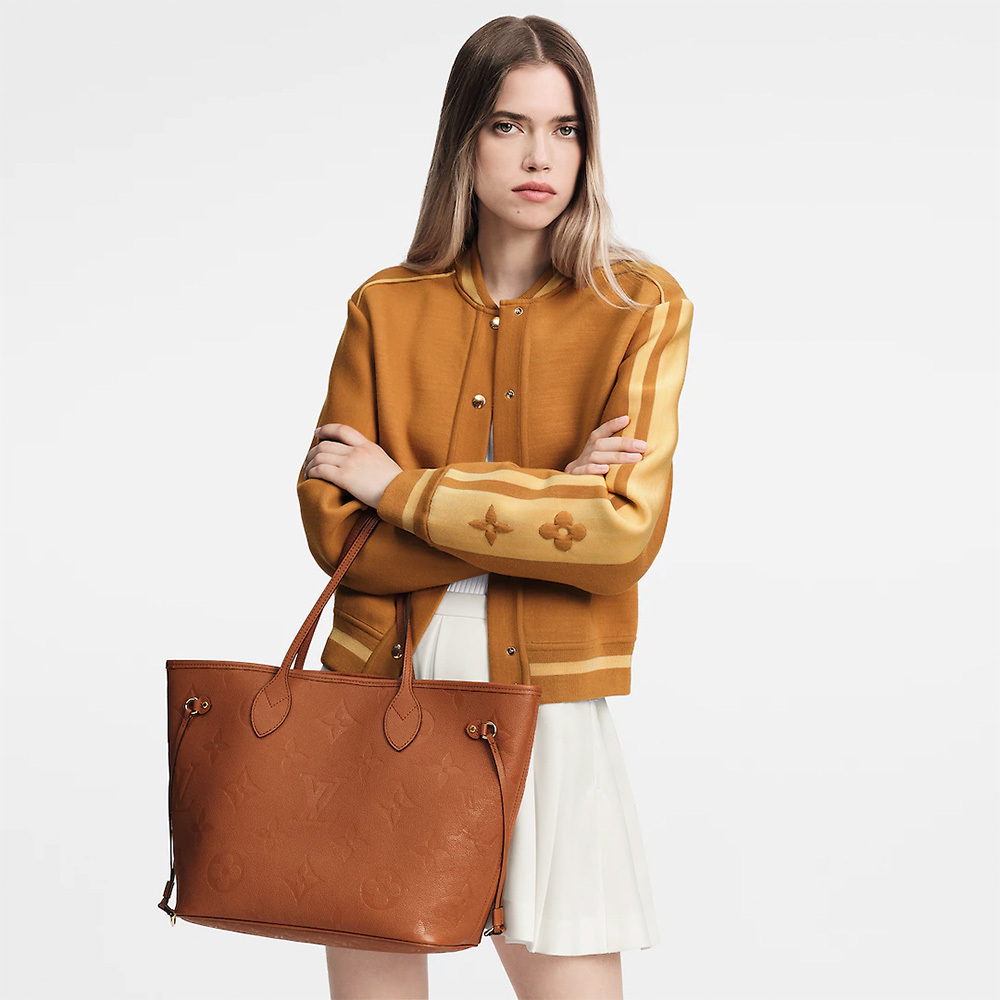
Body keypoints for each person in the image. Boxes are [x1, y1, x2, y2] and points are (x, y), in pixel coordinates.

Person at [298, 14, 693, 1000]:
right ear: (463, 140)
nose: (539, 156)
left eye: (565, 129)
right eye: (508, 125)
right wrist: (554, 496)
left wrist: (402, 491)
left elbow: (620, 534)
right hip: (380, 686)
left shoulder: (640, 305)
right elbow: (340, 537)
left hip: (547, 701)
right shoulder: (383, 307)